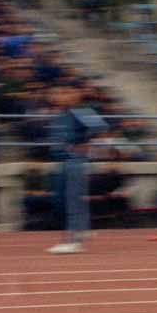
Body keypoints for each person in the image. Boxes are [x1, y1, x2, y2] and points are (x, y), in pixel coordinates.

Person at [46, 83, 108, 253]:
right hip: (61, 162)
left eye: (64, 92)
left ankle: (74, 241)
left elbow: (101, 128)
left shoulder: (81, 111)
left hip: (75, 161)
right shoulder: (59, 115)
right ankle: (80, 231)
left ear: (76, 95)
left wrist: (87, 145)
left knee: (73, 200)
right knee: (61, 200)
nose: (58, 96)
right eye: (57, 92)